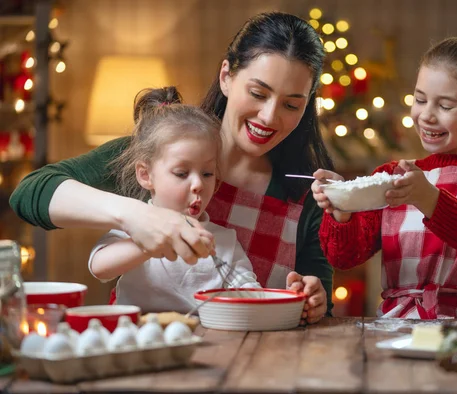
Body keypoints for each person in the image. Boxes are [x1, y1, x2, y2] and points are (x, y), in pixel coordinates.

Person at [10, 12, 332, 323]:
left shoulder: (306, 196)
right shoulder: (162, 152)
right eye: (258, 93)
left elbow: (318, 304)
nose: (269, 116)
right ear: (226, 77)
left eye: (291, 104)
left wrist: (313, 302)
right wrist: (136, 216)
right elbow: (31, 193)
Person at [312, 17, 457, 319]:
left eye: (445, 106)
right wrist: (341, 206)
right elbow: (345, 256)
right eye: (420, 100)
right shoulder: (392, 175)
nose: (426, 116)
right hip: (398, 335)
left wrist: (430, 200)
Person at [89, 87, 261, 314]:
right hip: (140, 340)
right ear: (145, 175)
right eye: (181, 173)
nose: (198, 184)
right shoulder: (135, 228)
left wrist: (295, 297)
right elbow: (100, 268)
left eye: (207, 173)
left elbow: (250, 292)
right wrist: (154, 241)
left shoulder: (222, 241)